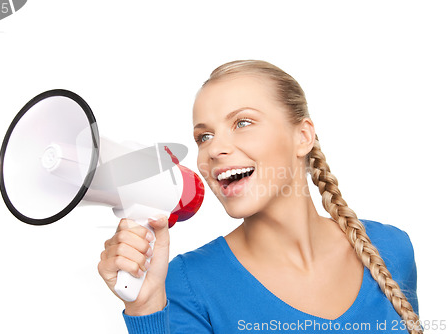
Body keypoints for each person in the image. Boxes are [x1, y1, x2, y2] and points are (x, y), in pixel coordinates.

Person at [98, 60, 421, 333]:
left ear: (303, 136)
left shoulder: (392, 248)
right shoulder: (185, 283)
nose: (214, 149)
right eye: (204, 136)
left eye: (242, 122)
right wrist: (146, 308)